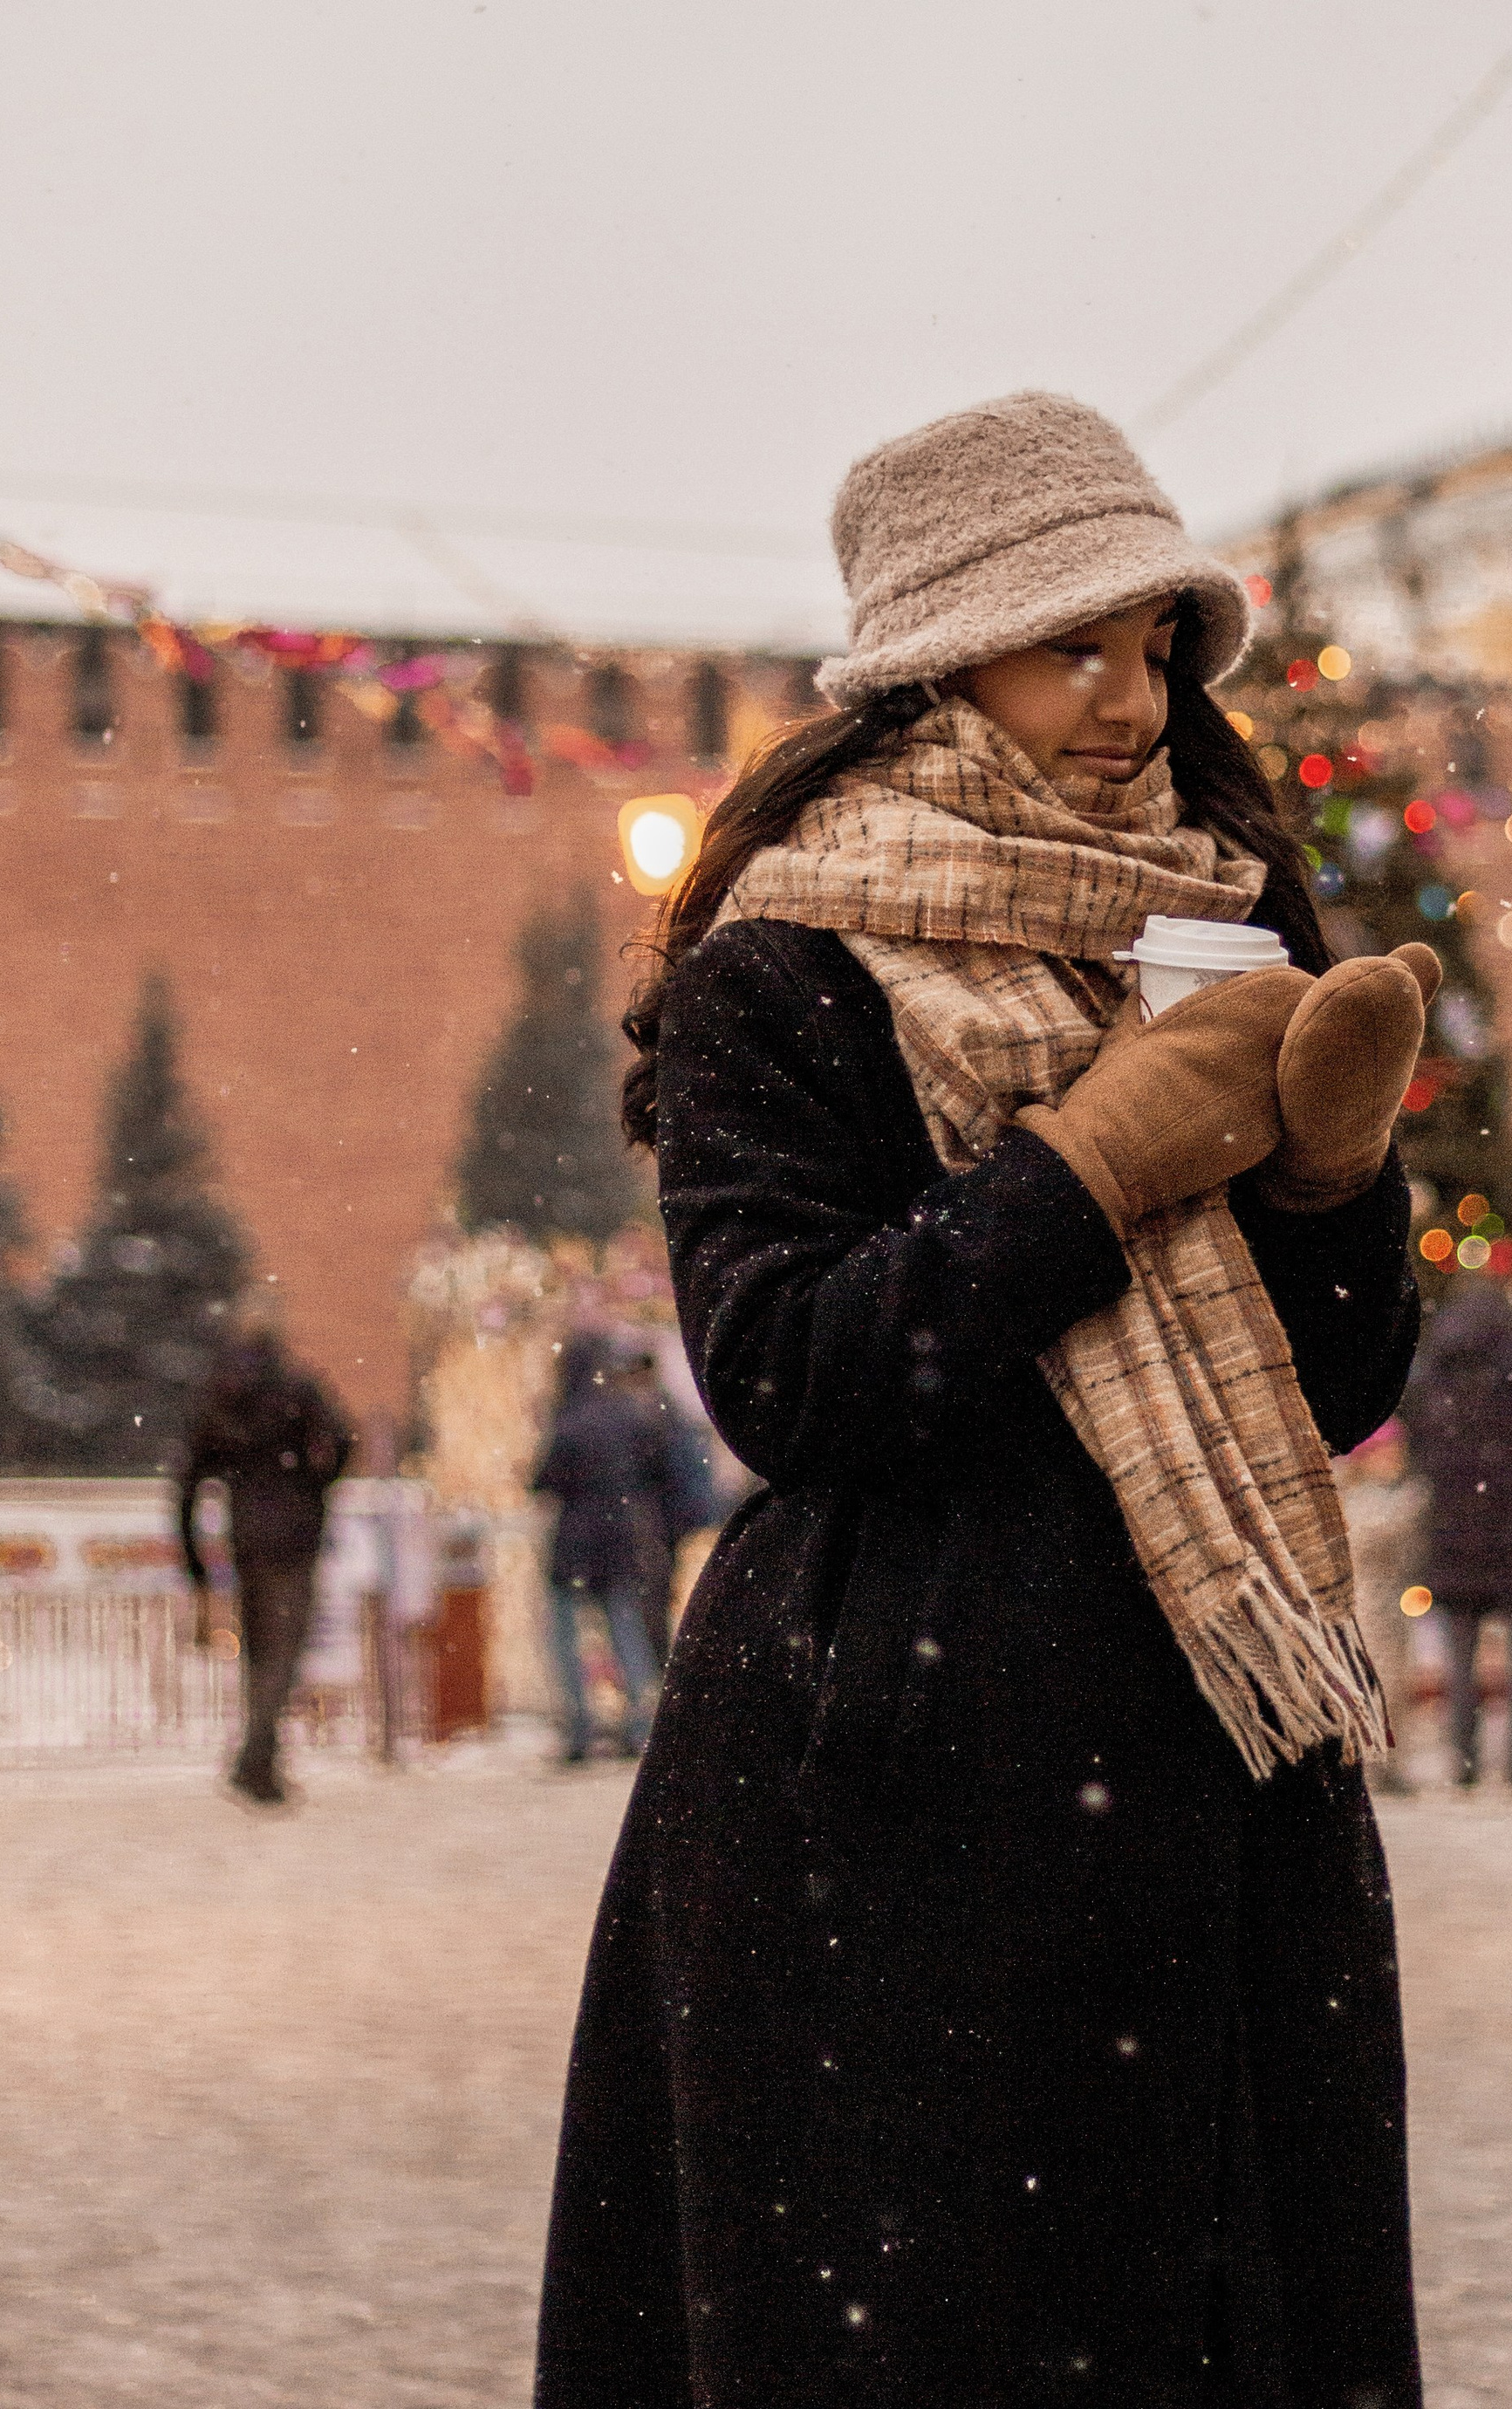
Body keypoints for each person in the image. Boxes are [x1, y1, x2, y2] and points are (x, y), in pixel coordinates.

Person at [536, 392, 1433, 2409]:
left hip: (1209, 1751)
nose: (1127, 697)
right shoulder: (784, 963)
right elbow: (790, 1373)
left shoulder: (1216, 918)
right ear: (941, 657)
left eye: (1151, 647)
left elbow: (1337, 1388)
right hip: (886, 1764)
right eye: (1073, 645)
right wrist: (1080, 1168)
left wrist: (1328, 1187)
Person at [1405, 1270, 1512, 1791]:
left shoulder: (1433, 1365)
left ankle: (1464, 1762)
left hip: (1453, 1524)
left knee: (1459, 1650)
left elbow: (1414, 1429)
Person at [177, 1312, 355, 1807]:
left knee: (259, 1655)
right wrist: (315, 1487)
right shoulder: (297, 1390)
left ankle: (258, 1761)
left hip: (248, 1541)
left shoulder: (223, 1399)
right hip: (295, 1538)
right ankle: (256, 1760)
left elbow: (189, 1480)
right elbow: (342, 1441)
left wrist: (194, 1558)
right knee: (283, 1654)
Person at [533, 1335, 679, 1760]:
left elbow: (545, 1480)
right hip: (623, 1537)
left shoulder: (569, 1420)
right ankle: (640, 1722)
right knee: (625, 1629)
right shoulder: (631, 1416)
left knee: (566, 1634)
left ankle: (580, 1725)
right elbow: (661, 1470)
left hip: (575, 1543)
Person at [1336, 1419, 1428, 1795]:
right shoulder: (1353, 1495)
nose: (1396, 1459)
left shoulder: (1392, 1492)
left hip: (1393, 1604)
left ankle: (1392, 1761)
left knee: (1394, 1686)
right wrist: (1408, 1508)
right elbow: (1369, 1536)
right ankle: (1370, 1765)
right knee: (1370, 1684)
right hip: (1365, 1608)